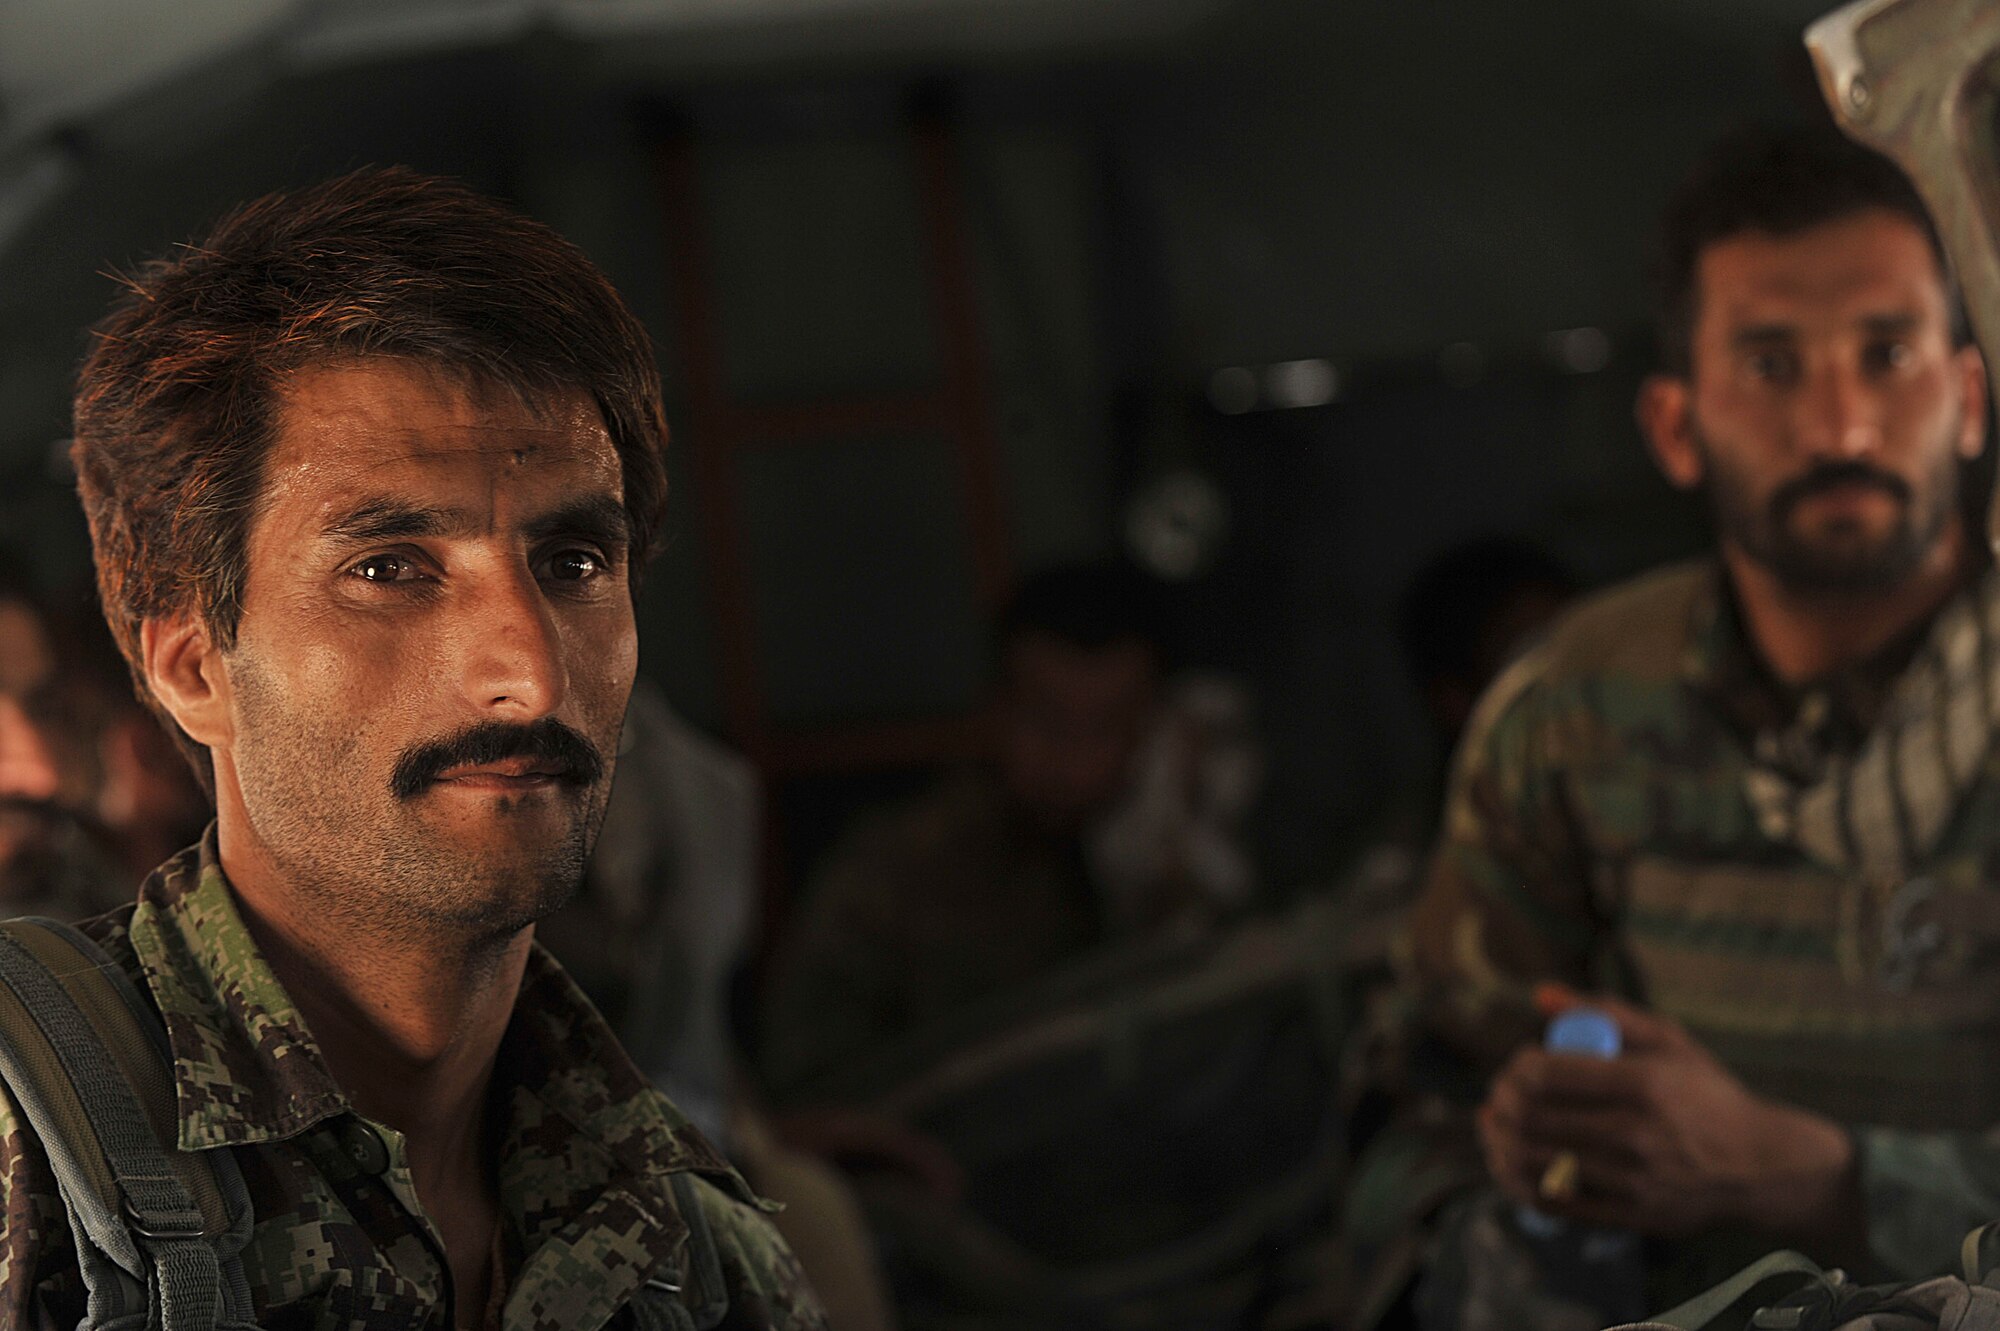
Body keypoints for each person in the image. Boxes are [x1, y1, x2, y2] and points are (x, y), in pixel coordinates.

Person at [1, 167, 824, 1330]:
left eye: (574, 562)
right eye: (389, 568)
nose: (528, 674)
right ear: (193, 668)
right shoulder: (31, 1168)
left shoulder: (705, 1268)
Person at [1403, 122, 1998, 1318]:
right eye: (1771, 365)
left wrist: (1819, 1178)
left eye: (1885, 353)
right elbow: (1422, 1082)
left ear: (1969, 396)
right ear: (1675, 426)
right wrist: (1518, 1181)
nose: (1839, 426)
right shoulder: (1568, 715)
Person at [757, 562, 1174, 1102]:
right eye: (1047, 722)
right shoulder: (895, 873)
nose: (1075, 765)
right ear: (997, 706)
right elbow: (809, 1093)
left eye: (1108, 728)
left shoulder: (1180, 859)